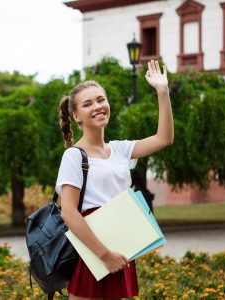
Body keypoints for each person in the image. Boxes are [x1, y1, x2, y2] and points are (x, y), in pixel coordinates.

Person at [55, 60, 173, 300]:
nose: (98, 106)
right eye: (88, 104)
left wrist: (162, 91)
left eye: (101, 100)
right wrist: (104, 254)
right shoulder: (74, 156)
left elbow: (164, 138)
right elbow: (68, 212)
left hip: (120, 244)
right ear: (76, 116)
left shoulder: (120, 149)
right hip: (93, 249)